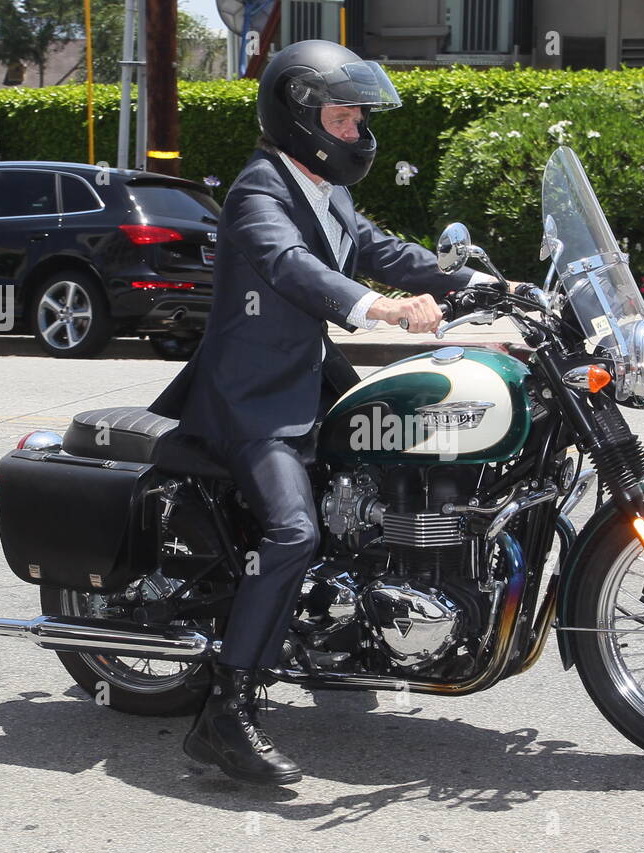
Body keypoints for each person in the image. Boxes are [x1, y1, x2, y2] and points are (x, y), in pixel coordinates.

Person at [147, 40, 495, 786]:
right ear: (300, 117)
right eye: (343, 118)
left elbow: (379, 247)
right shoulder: (258, 190)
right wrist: (381, 309)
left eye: (360, 117)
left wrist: (485, 281)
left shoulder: (323, 188)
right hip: (252, 401)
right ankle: (224, 716)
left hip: (309, 380)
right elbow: (289, 267)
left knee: (404, 452)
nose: (357, 132)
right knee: (294, 531)